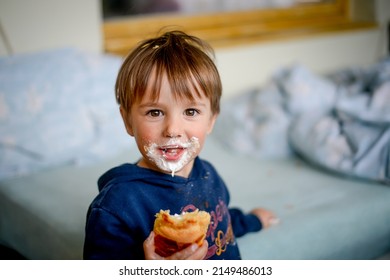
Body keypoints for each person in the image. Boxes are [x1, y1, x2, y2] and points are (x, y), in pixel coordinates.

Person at [83, 30, 278, 260]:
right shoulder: (115, 207)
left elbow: (219, 221)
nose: (173, 129)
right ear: (127, 121)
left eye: (191, 111)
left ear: (211, 121)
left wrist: (252, 221)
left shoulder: (208, 175)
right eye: (155, 112)